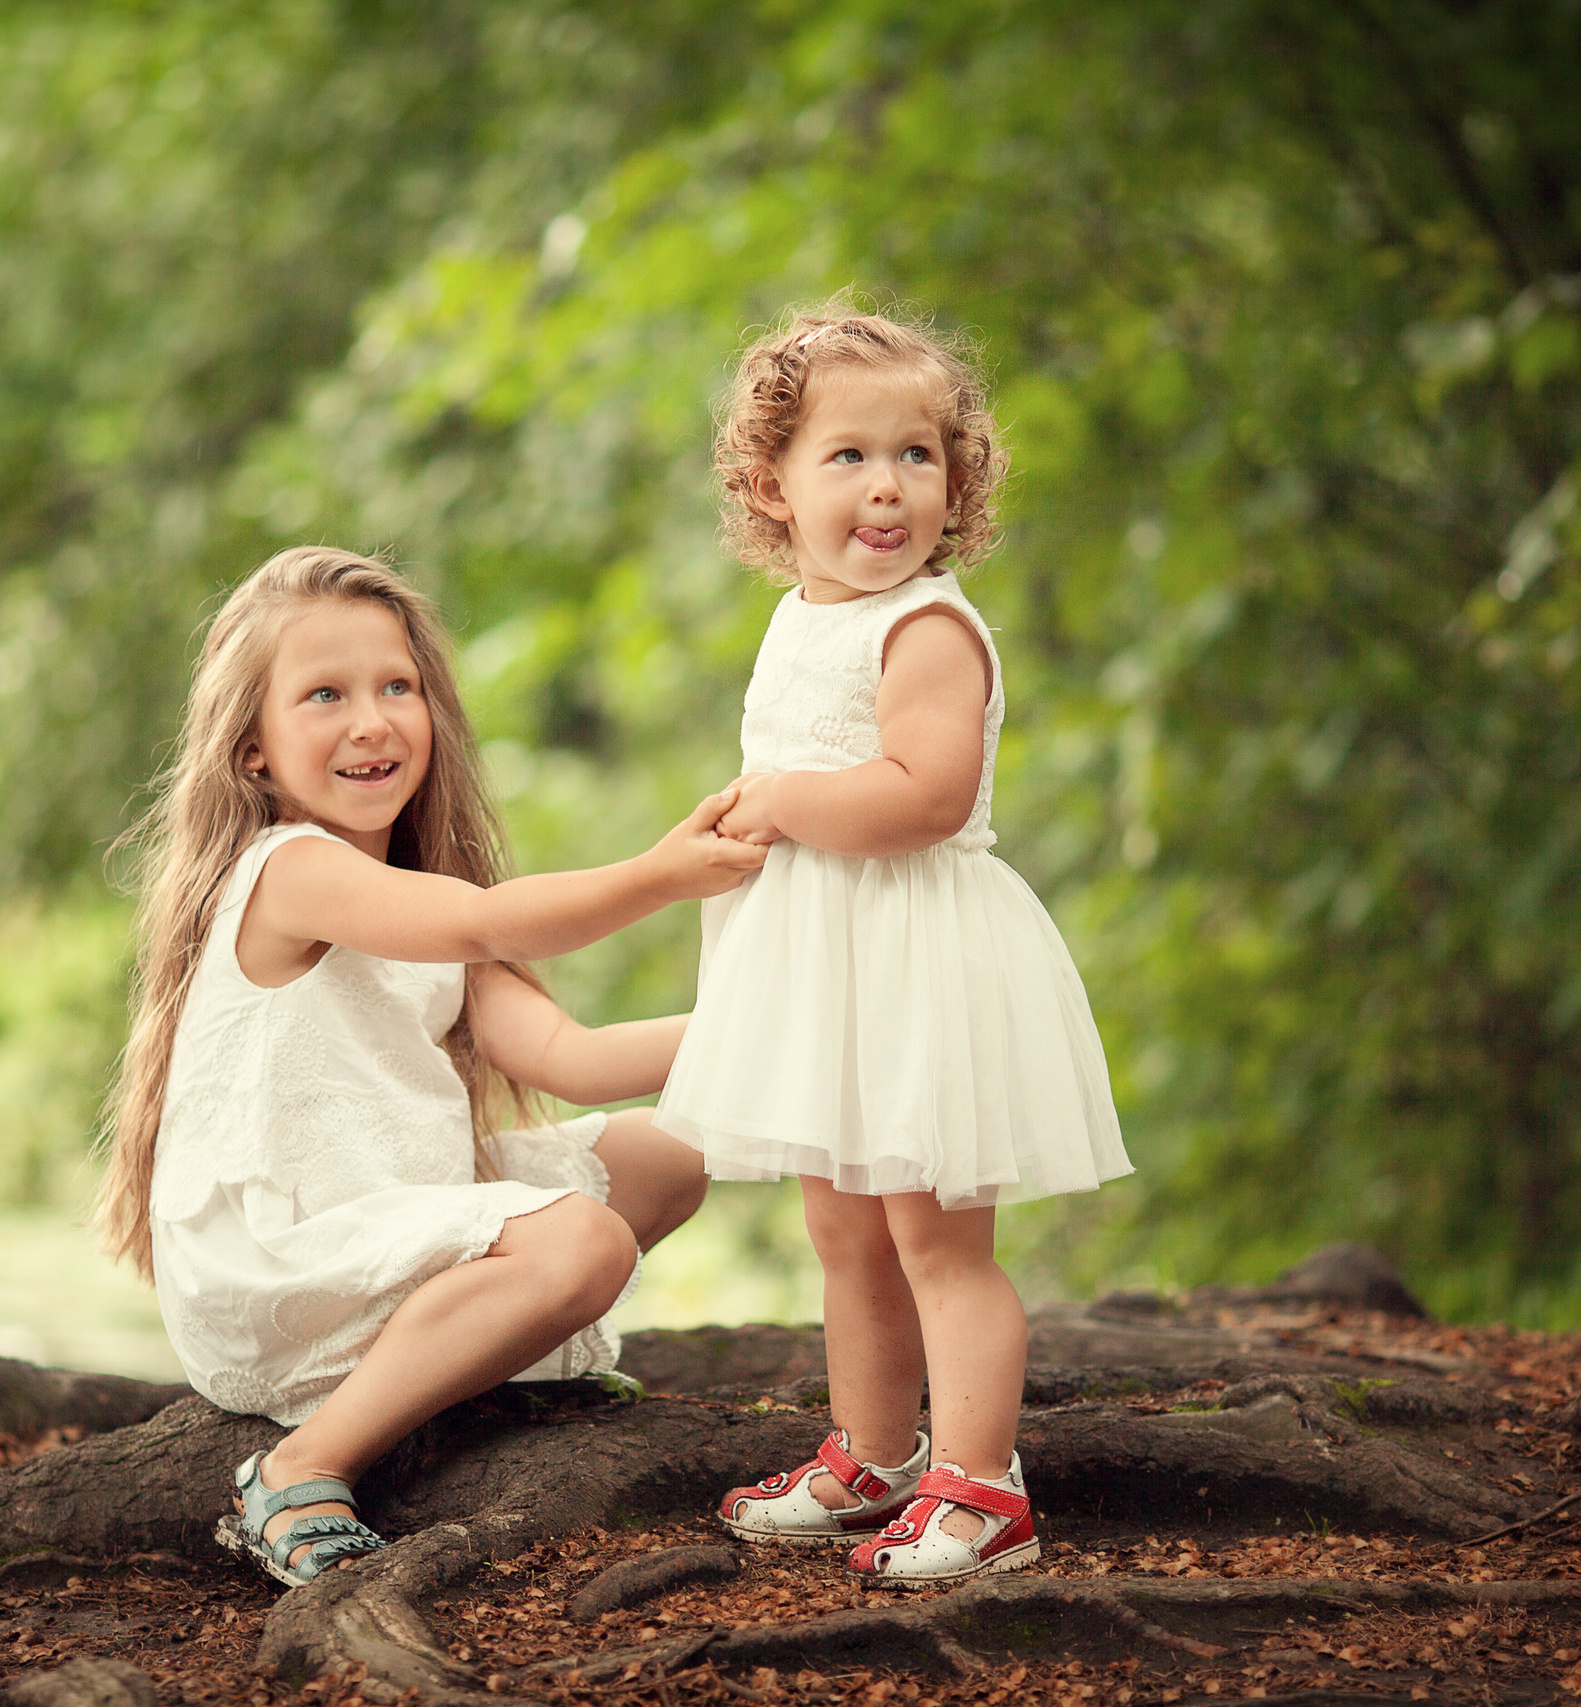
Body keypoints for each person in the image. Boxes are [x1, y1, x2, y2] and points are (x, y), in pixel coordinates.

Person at [94, 545, 763, 1587]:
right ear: (254, 752)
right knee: (580, 1244)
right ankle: (299, 1466)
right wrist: (660, 876)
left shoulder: (418, 886)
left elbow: (573, 1062)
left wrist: (772, 1023)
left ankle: (452, 1366)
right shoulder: (289, 870)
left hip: (398, 1217)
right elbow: (491, 917)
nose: (371, 721)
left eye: (395, 687)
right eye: (323, 695)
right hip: (285, 1261)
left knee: (674, 1150)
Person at [658, 304, 1131, 1587]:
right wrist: (741, 819)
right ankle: (875, 1452)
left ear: (957, 479)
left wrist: (777, 803)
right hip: (829, 970)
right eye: (850, 456)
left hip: (915, 965)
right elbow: (799, 760)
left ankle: (984, 1489)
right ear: (772, 485)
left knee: (936, 1242)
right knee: (845, 1232)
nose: (887, 487)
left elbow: (922, 794)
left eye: (917, 456)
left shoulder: (926, 627)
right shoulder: (807, 614)